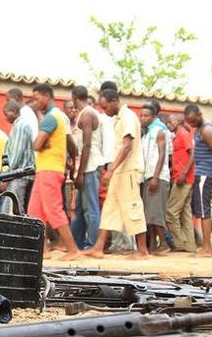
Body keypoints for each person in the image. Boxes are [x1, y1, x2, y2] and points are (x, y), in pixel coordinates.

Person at [84, 89, 148, 260]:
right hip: (119, 170)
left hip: (129, 170)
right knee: (110, 208)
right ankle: (98, 247)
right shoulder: (118, 118)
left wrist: (110, 170)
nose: (105, 111)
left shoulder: (127, 117)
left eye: (105, 107)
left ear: (114, 101)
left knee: (133, 207)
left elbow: (127, 146)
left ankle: (142, 250)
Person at [24, 84, 81, 261]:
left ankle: (73, 250)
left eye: (37, 98)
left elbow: (36, 144)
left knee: (53, 210)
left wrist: (41, 143)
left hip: (50, 169)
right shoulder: (56, 116)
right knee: (35, 212)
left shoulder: (51, 117)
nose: (35, 102)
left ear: (47, 96)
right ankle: (43, 251)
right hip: (46, 170)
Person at [185, 104, 212, 257]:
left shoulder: (207, 130)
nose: (191, 124)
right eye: (189, 123)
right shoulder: (199, 128)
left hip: (205, 173)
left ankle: (206, 248)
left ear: (200, 114)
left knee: (203, 211)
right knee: (201, 208)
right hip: (201, 172)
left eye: (193, 121)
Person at [69, 85, 103, 250]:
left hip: (89, 167)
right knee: (81, 210)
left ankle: (93, 245)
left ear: (74, 97)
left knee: (91, 209)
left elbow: (87, 145)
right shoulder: (84, 114)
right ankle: (76, 243)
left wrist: (80, 173)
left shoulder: (87, 114)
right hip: (85, 167)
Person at [139, 105, 170, 255]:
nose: (143, 118)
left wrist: (156, 177)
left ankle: (164, 243)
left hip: (157, 176)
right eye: (141, 115)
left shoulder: (159, 131)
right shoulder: (145, 134)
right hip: (147, 175)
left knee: (155, 213)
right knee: (148, 213)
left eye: (146, 116)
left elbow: (162, 154)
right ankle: (152, 245)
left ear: (152, 117)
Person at [165, 113, 196, 253]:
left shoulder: (183, 134)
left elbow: (192, 154)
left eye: (170, 121)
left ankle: (180, 242)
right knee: (185, 213)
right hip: (181, 177)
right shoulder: (176, 136)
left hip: (183, 179)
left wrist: (183, 174)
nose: (168, 124)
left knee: (170, 212)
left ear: (178, 121)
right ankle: (190, 246)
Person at [1, 101, 35, 213]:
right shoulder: (20, 125)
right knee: (11, 205)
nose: (5, 118)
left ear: (14, 112)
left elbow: (16, 154)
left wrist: (6, 177)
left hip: (18, 174)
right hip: (18, 174)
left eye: (6, 114)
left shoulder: (21, 125)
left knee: (14, 207)